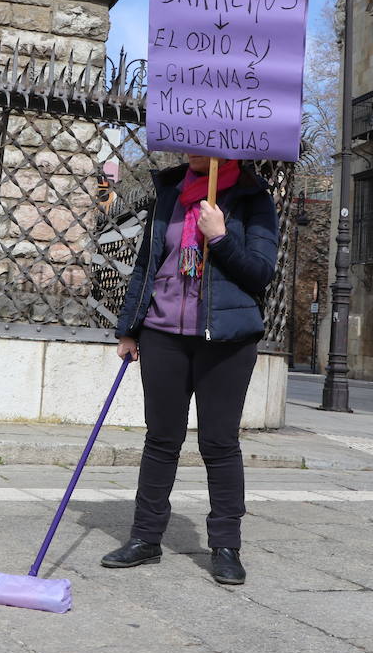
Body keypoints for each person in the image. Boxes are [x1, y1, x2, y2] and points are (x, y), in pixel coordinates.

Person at [102, 152, 278, 585]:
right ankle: (145, 539)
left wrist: (219, 237)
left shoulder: (254, 198)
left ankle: (225, 546)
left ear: (230, 148)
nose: (192, 150)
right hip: (163, 334)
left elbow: (260, 273)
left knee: (219, 444)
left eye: (204, 143)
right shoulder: (170, 194)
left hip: (226, 340)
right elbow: (146, 264)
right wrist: (129, 329)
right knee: (161, 440)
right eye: (187, 141)